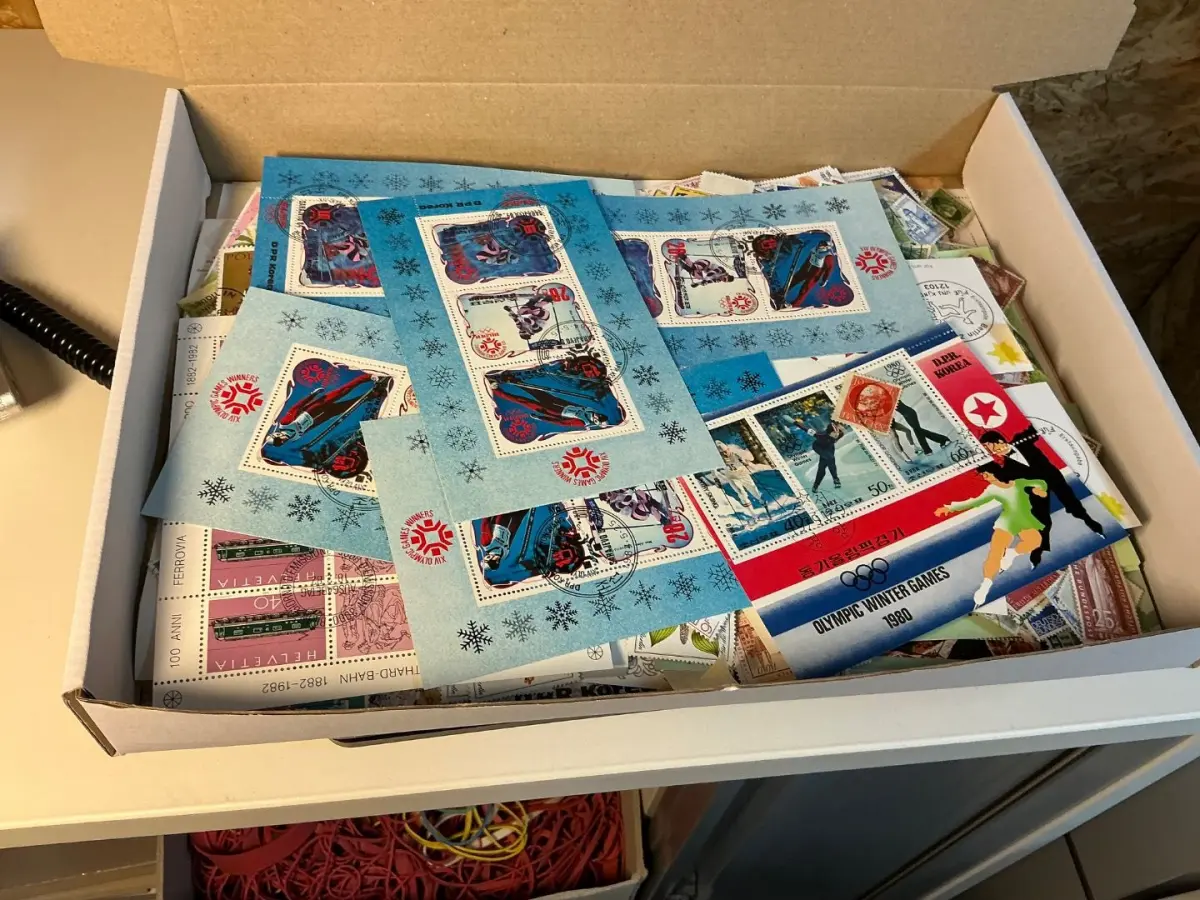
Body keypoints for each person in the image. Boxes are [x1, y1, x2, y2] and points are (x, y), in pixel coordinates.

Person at [980, 426, 1104, 565]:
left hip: (1052, 478)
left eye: (989, 446)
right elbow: (1004, 479)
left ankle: (1092, 523)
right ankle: (1038, 552)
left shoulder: (1021, 440)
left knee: (1072, 503)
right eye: (987, 448)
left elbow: (1035, 429)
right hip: (1036, 491)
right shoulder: (1007, 468)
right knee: (1042, 519)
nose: (990, 450)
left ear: (999, 441)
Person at [935, 464, 1048, 607]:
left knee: (1035, 541)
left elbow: (1041, 482)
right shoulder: (992, 489)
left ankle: (1011, 554)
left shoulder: (1019, 483)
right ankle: (985, 585)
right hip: (1006, 522)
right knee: (996, 552)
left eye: (986, 474)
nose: (984, 478)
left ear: (995, 473)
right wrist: (950, 507)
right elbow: (975, 501)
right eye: (983, 475)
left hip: (1025, 520)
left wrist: (1041, 491)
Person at [807, 420, 845, 491]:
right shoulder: (820, 435)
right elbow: (804, 428)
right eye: (834, 433)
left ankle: (815, 486)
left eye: (837, 432)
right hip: (818, 447)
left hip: (829, 447)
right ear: (829, 432)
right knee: (830, 458)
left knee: (822, 468)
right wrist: (794, 422)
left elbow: (837, 432)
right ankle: (836, 479)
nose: (836, 434)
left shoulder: (841, 433)